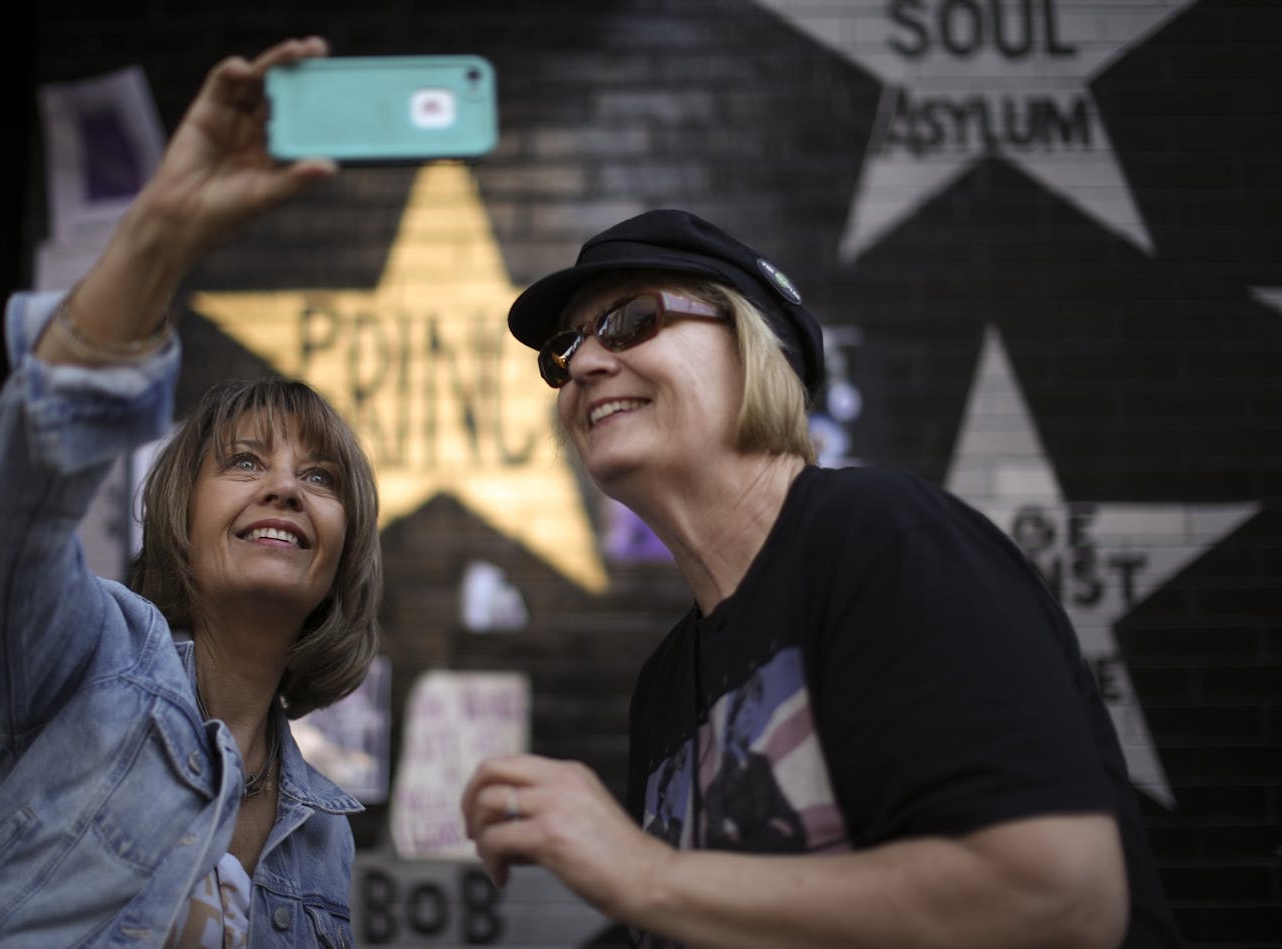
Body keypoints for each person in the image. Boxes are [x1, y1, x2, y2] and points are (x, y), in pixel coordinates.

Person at [461, 210, 1185, 948]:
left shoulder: (883, 538)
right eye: (564, 349)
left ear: (755, 350)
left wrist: (642, 873)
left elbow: (1054, 897)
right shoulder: (666, 679)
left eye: (631, 320)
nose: (582, 365)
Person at [0, 37, 382, 947]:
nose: (285, 487)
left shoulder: (325, 838)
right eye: (245, 462)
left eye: (319, 478)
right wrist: (159, 233)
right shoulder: (84, 660)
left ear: (343, 548)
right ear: (176, 513)